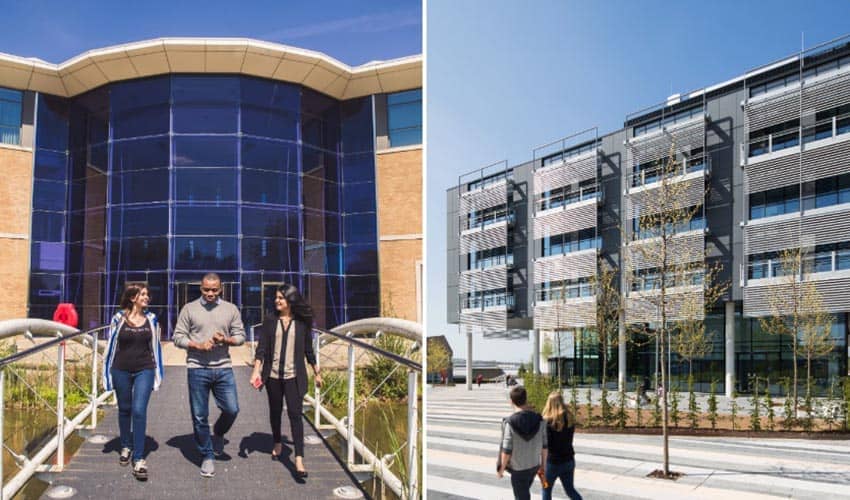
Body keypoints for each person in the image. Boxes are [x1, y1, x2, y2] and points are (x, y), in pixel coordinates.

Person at [173, 273, 245, 478]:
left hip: (223, 367)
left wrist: (226, 340)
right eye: (206, 289)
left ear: (221, 289)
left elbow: (241, 336)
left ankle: (219, 433)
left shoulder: (231, 309)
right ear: (201, 288)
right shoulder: (189, 309)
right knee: (199, 415)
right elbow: (177, 337)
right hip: (197, 368)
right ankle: (207, 455)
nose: (210, 293)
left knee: (232, 409)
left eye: (214, 290)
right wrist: (197, 345)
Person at [250, 283, 322, 479]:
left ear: (290, 300)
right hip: (273, 376)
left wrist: (317, 372)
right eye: (276, 297)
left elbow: (308, 350)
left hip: (294, 377)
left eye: (281, 298)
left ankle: (298, 458)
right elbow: (262, 348)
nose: (277, 301)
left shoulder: (302, 323)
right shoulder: (270, 321)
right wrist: (256, 371)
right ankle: (277, 442)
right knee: (275, 412)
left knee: (295, 414)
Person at [103, 283, 165, 481]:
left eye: (147, 294)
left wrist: (158, 373)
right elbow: (111, 346)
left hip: (144, 369)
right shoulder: (118, 318)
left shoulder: (152, 319)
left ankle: (138, 459)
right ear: (133, 298)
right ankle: (125, 445)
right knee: (125, 409)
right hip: (120, 369)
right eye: (143, 294)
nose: (147, 297)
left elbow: (155, 346)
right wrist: (106, 373)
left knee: (139, 410)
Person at [497, 386, 547, 500]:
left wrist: (501, 469)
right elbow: (545, 446)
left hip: (518, 469)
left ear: (511, 401)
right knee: (524, 492)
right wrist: (543, 466)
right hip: (534, 466)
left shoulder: (510, 422)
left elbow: (507, 449)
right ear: (526, 399)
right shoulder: (540, 420)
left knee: (522, 496)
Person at [541, 391, 583, 500]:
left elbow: (545, 445)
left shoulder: (546, 422)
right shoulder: (569, 418)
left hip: (551, 463)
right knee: (570, 490)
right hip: (568, 460)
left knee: (546, 489)